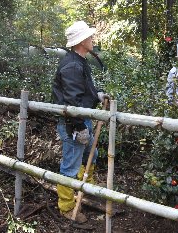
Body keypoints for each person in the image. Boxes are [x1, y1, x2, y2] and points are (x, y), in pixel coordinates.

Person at [52, 21, 109, 223]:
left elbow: (82, 92)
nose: (92, 39)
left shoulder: (79, 61)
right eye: (90, 37)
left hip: (82, 120)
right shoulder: (72, 65)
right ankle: (67, 207)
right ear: (82, 41)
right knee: (70, 166)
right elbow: (71, 100)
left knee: (90, 157)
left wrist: (97, 95)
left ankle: (86, 189)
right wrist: (78, 127)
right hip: (73, 124)